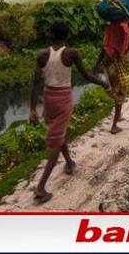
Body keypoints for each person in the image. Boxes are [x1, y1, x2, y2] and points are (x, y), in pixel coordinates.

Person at [29, 21, 107, 203]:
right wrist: (103, 83)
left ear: (51, 34)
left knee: (58, 133)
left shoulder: (42, 55)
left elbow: (36, 83)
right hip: (63, 99)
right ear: (67, 36)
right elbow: (86, 75)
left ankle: (70, 163)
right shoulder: (71, 53)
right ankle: (40, 188)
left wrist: (33, 108)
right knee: (56, 142)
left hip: (48, 99)